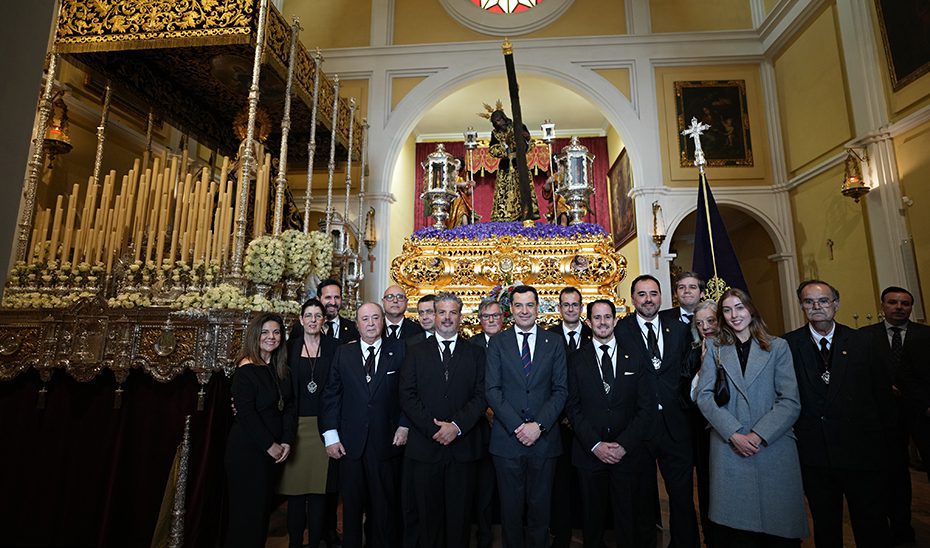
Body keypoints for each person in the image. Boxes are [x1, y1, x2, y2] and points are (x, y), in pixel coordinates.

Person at [784, 280, 892, 547]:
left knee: (870, 522)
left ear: (836, 304)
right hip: (816, 453)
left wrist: (885, 445)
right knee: (826, 524)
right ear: (802, 307)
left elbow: (883, 398)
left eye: (823, 301)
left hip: (860, 451)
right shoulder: (788, 345)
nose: (816, 307)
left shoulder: (862, 342)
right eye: (809, 302)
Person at [696, 288, 807, 546]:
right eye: (727, 310)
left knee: (778, 527)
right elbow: (704, 396)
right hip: (729, 444)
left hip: (771, 443)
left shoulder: (778, 347)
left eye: (739, 307)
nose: (734, 315)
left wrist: (758, 435)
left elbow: (789, 400)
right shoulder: (715, 347)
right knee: (736, 531)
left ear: (751, 310)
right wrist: (733, 433)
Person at [614, 274, 699, 548]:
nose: (648, 299)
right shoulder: (621, 330)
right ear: (633, 298)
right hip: (639, 426)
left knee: (682, 497)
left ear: (661, 297)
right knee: (641, 497)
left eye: (653, 293)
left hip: (676, 425)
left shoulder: (679, 328)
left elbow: (688, 372)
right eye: (642, 294)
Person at [566, 299, 657, 548]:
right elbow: (572, 407)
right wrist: (596, 445)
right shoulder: (575, 359)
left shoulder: (635, 356)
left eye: (607, 317)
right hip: (589, 454)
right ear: (588, 322)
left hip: (626, 455)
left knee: (627, 520)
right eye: (597, 318)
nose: (603, 322)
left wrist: (623, 445)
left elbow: (646, 407)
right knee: (592, 522)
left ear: (616, 321)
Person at [400, 292, 488, 548]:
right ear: (433, 316)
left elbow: (482, 395)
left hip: (463, 448)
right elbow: (407, 394)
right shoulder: (415, 352)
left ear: (460, 317)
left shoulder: (476, 353)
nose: (447, 318)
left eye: (453, 313)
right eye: (442, 312)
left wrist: (456, 427)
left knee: (460, 519)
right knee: (428, 517)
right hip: (426, 448)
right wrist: (433, 428)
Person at [320, 303, 409, 548]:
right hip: (350, 445)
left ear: (383, 321)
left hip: (387, 443)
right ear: (357, 324)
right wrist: (330, 436)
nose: (370, 323)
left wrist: (404, 425)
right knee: (351, 510)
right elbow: (331, 395)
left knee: (384, 510)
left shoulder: (400, 350)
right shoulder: (343, 354)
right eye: (365, 319)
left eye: (375, 318)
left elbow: (409, 393)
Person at [486, 285, 567, 548]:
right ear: (511, 309)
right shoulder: (498, 342)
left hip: (544, 441)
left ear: (537, 308)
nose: (524, 311)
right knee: (510, 511)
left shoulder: (553, 342)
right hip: (507, 441)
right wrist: (519, 426)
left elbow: (560, 389)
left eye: (529, 305)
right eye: (518, 305)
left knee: (541, 510)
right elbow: (492, 390)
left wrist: (538, 426)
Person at [863, 286, 930, 545]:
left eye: (905, 303)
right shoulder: (865, 337)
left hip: (922, 414)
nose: (899, 307)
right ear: (883, 305)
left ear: (911, 307)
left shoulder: (925, 335)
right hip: (884, 416)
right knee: (895, 475)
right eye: (893, 302)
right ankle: (901, 530)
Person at [225, 313, 293, 548]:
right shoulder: (246, 368)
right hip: (248, 452)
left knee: (261, 512)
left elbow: (287, 407)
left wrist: (285, 441)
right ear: (255, 335)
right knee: (246, 516)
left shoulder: (278, 367)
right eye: (265, 332)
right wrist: (270, 445)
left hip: (271, 454)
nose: (271, 337)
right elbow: (245, 414)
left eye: (276, 332)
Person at [279, 299, 338, 548]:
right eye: (309, 316)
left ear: (324, 320)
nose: (313, 320)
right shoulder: (289, 348)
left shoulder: (334, 347)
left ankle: (314, 542)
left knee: (318, 493)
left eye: (318, 316)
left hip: (324, 427)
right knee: (295, 494)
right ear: (301, 320)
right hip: (296, 427)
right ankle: (294, 543)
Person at [546, 286, 591, 548]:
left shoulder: (593, 333)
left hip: (586, 423)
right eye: (566, 304)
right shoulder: (549, 337)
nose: (571, 309)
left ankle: (589, 533)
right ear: (559, 308)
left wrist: (578, 417)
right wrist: (561, 415)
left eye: (575, 304)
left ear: (581, 308)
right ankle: (560, 535)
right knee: (560, 482)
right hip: (557, 423)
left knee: (587, 482)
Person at [683, 300, 719, 548]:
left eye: (710, 321)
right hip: (705, 430)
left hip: (739, 431)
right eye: (700, 323)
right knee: (708, 485)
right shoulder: (694, 352)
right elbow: (690, 394)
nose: (706, 327)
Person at [468, 297, 503, 548]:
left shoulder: (513, 343)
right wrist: (486, 412)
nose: (491, 321)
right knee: (482, 486)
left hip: (508, 425)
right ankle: (483, 534)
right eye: (486, 317)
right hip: (478, 427)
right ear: (479, 320)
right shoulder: (471, 346)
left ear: (504, 319)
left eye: (496, 316)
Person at [485, 105, 540, 222]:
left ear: (504, 117)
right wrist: (505, 143)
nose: (500, 123)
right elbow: (493, 150)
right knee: (505, 192)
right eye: (496, 122)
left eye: (500, 119)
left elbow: (528, 147)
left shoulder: (518, 125)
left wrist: (527, 139)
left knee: (522, 189)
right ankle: (505, 216)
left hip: (519, 164)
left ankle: (525, 214)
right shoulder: (495, 134)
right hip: (505, 168)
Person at [319, 278, 360, 344]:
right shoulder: (309, 327)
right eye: (328, 297)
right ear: (318, 299)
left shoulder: (353, 328)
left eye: (337, 297)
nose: (333, 302)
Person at [446, 156, 479, 228]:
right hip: (452, 201)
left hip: (461, 200)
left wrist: (473, 186)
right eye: (455, 163)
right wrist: (461, 184)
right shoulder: (449, 177)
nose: (456, 165)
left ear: (460, 166)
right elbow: (450, 185)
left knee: (464, 215)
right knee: (452, 219)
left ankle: (465, 233)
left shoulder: (461, 178)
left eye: (458, 163)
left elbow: (467, 193)